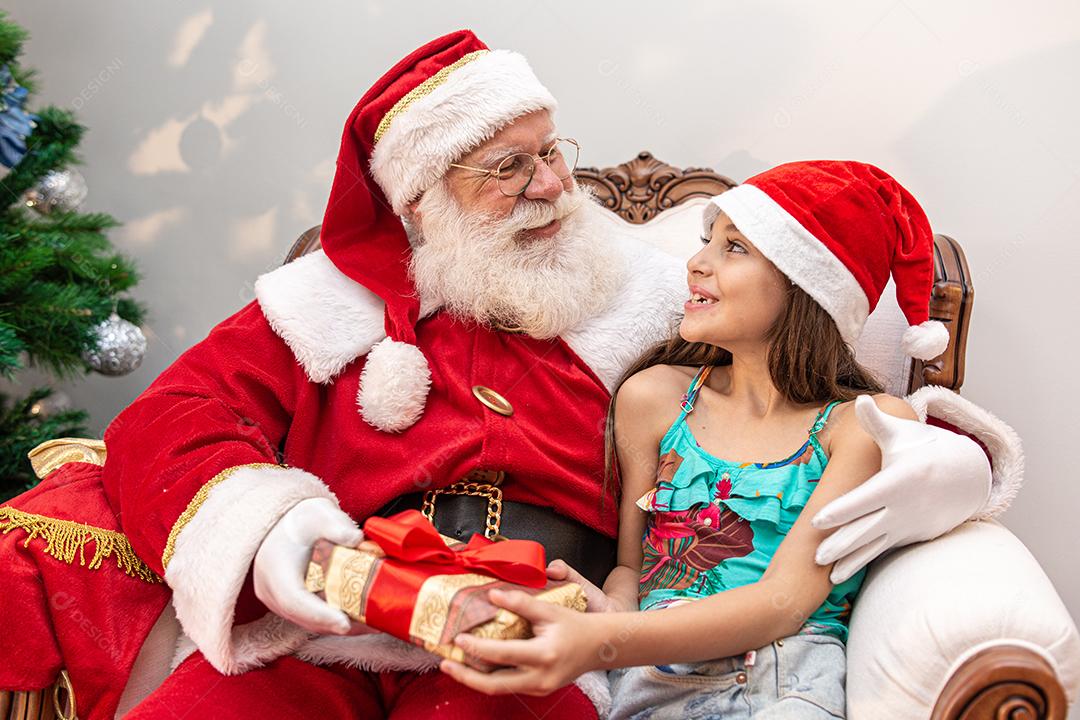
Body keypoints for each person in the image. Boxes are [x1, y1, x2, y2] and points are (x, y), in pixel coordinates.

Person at [0, 31, 1019, 720]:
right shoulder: (325, 304)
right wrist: (290, 550)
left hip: (533, 632)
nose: (551, 186)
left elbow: (817, 363)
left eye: (550, 152)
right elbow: (170, 422)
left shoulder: (645, 288)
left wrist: (943, 463)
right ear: (424, 199)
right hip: (334, 623)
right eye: (506, 168)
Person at [437, 161, 985, 719]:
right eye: (706, 242)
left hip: (781, 682)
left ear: (808, 285)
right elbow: (633, 566)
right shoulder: (653, 399)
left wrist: (601, 641)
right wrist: (609, 610)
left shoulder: (861, 425)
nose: (697, 263)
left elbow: (785, 604)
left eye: (735, 248)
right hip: (648, 680)